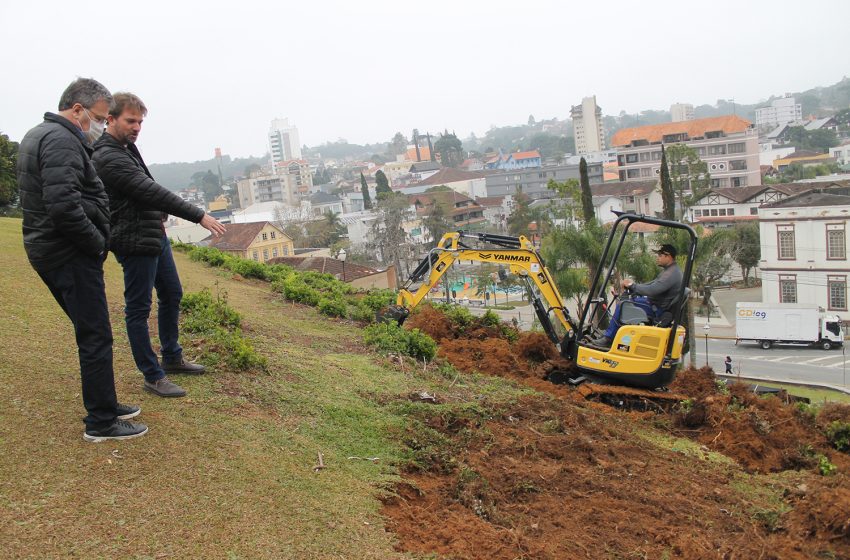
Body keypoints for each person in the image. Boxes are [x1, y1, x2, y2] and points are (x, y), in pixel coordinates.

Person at [17, 78, 147, 442]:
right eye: (100, 118)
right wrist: (95, 243)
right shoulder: (61, 141)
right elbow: (63, 206)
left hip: (51, 249)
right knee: (96, 335)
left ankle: (105, 401)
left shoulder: (39, 134)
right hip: (68, 253)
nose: (101, 127)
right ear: (77, 109)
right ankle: (101, 420)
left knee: (93, 331)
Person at [93, 93, 226, 398]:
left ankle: (172, 356)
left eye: (140, 121)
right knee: (138, 308)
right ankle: (152, 375)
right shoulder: (108, 156)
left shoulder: (125, 147)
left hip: (152, 233)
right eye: (130, 120)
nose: (137, 127)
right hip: (133, 239)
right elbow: (149, 190)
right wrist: (198, 215)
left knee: (172, 292)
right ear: (110, 119)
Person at [590, 244, 683, 349]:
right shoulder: (670, 271)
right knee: (628, 302)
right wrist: (634, 287)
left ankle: (608, 338)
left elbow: (653, 290)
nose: (658, 257)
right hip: (654, 305)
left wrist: (633, 286)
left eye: (660, 255)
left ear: (668, 256)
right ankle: (612, 334)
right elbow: (650, 284)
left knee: (623, 305)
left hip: (656, 309)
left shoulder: (671, 273)